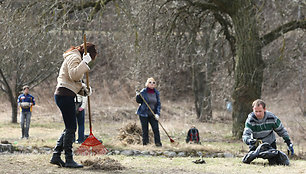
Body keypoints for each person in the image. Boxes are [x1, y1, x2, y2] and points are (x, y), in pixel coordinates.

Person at [50, 42, 97, 168]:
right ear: (86, 53)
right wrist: (84, 63)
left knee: (69, 127)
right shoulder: (74, 57)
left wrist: (84, 89)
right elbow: (74, 74)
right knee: (71, 127)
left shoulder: (75, 57)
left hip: (66, 94)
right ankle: (69, 159)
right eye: (90, 58)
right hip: (64, 95)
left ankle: (56, 156)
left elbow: (72, 81)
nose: (89, 61)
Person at [136, 77, 162, 147]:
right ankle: (145, 145)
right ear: (147, 84)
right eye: (150, 82)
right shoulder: (143, 92)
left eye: (153, 83)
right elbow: (138, 101)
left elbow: (158, 104)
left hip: (153, 114)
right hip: (143, 114)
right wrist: (138, 95)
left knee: (156, 129)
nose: (152, 84)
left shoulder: (156, 93)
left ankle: (158, 144)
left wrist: (157, 114)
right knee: (145, 130)